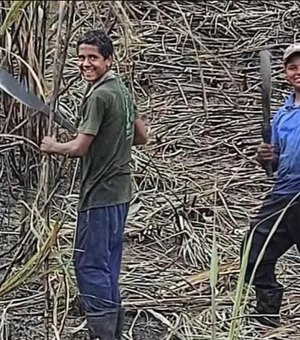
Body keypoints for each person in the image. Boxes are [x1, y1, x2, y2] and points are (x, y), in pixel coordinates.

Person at [40, 30, 148, 339]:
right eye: (82, 57)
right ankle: (112, 330)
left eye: (93, 58)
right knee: (108, 262)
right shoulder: (122, 90)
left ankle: (103, 333)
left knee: (89, 264)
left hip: (100, 193)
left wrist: (52, 145)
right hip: (121, 192)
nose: (86, 64)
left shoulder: (99, 94)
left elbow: (78, 148)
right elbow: (141, 136)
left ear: (108, 60)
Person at [242, 43, 300, 328]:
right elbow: (273, 161)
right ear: (286, 73)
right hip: (284, 194)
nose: (297, 72)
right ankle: (266, 318)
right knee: (253, 252)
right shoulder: (283, 114)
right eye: (292, 67)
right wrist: (264, 156)